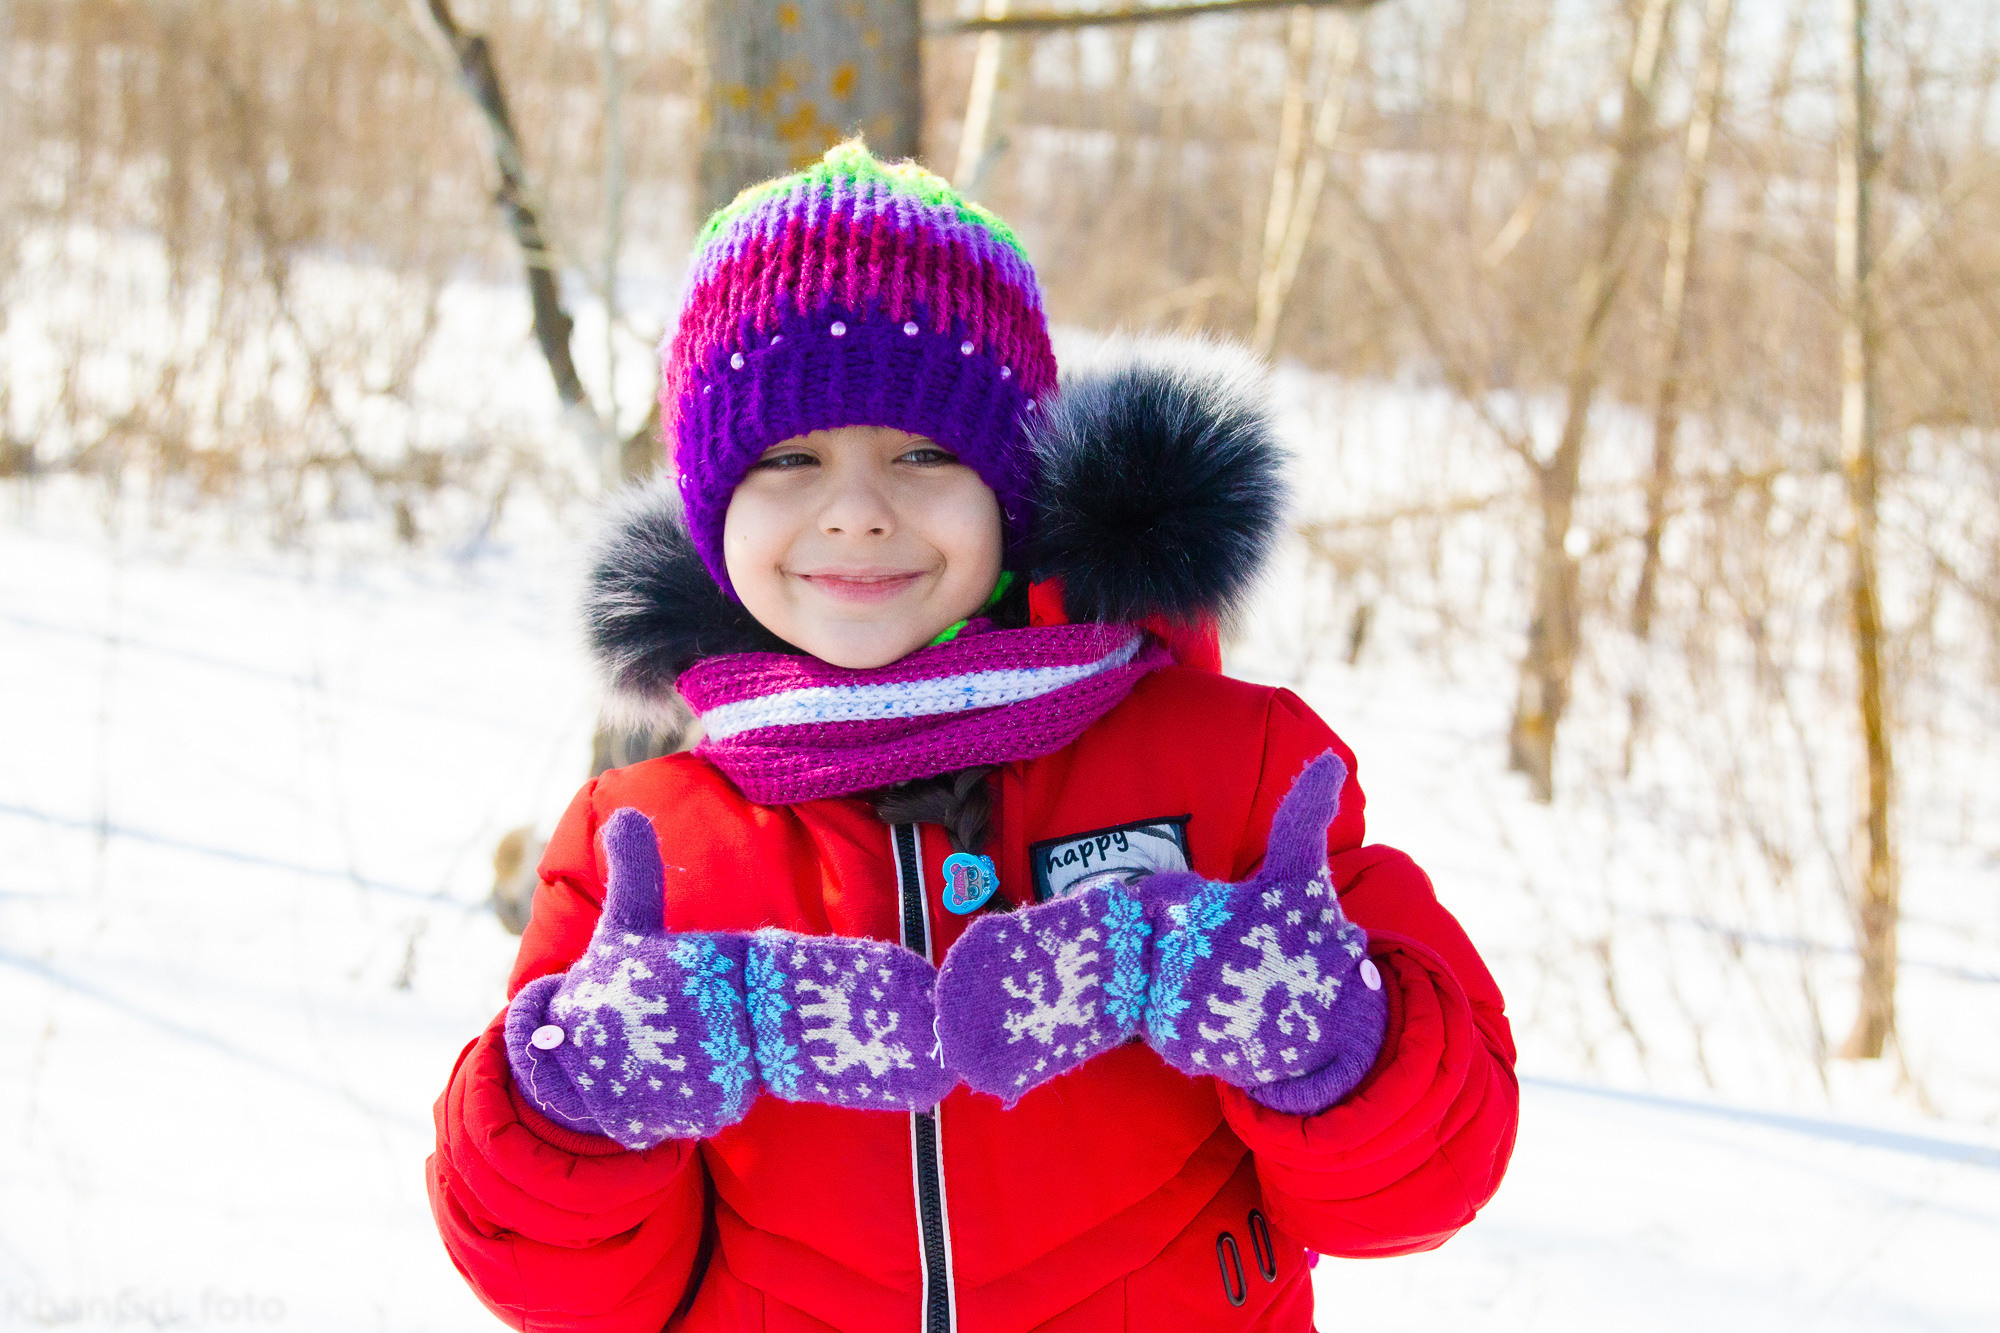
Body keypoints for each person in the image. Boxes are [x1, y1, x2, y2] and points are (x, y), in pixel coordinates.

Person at [426, 141, 1517, 1333]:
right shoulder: (646, 842)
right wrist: (577, 1107)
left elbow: (1416, 1191)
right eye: (788, 459)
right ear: (706, 502)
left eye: (924, 452)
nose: (855, 508)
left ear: (1016, 489)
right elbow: (562, 1287)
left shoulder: (1234, 770)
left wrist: (1332, 1040)